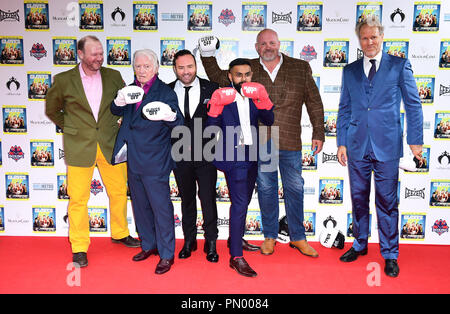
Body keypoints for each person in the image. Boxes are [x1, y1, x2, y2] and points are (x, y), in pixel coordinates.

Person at [199, 29, 324, 257]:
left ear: (279, 44)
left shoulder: (300, 67)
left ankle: (298, 237)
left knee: (295, 188)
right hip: (261, 142)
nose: (268, 47)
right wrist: (207, 53)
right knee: (266, 189)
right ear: (257, 47)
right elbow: (219, 76)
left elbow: (314, 101)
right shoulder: (248, 68)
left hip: (290, 137)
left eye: (272, 43)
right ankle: (270, 236)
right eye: (263, 44)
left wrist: (318, 131)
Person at [336, 16, 423, 278]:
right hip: (357, 145)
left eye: (374, 36)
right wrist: (341, 142)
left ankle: (390, 254)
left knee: (387, 202)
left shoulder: (399, 65)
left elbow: (413, 104)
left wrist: (415, 141)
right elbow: (344, 108)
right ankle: (360, 243)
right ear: (359, 40)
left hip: (387, 146)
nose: (369, 41)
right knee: (358, 199)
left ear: (381, 37)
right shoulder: (349, 71)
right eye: (364, 37)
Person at [45, 35, 140, 268]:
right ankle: (79, 247)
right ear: (80, 54)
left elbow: (124, 104)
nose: (99, 58)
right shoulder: (63, 80)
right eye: (93, 54)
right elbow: (51, 108)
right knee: (78, 199)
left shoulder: (114, 76)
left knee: (118, 191)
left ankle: (120, 232)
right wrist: (71, 126)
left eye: (101, 53)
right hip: (80, 146)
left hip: (110, 143)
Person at [111, 49, 183, 275]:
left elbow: (178, 122)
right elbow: (115, 110)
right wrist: (118, 99)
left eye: (146, 67)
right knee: (140, 207)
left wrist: (169, 115)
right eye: (138, 66)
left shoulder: (165, 92)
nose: (141, 71)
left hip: (155, 158)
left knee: (161, 208)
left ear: (156, 68)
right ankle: (149, 245)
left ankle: (166, 254)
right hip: (134, 157)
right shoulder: (129, 89)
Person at [207, 58, 274, 277]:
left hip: (252, 154)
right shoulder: (223, 97)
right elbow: (211, 128)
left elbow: (269, 119)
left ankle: (235, 239)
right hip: (233, 156)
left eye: (247, 74)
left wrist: (263, 99)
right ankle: (236, 256)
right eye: (238, 74)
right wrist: (214, 107)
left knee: (243, 202)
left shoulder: (255, 95)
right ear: (230, 76)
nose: (243, 78)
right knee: (239, 203)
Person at [168, 49, 220, 262]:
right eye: (181, 67)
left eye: (190, 66)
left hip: (207, 154)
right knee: (186, 199)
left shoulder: (213, 88)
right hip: (180, 154)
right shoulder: (167, 91)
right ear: (175, 69)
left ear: (196, 66)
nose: (186, 71)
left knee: (208, 199)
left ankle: (211, 242)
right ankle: (189, 240)